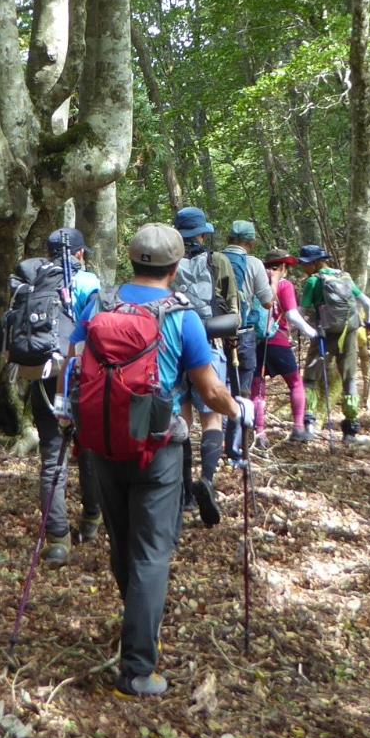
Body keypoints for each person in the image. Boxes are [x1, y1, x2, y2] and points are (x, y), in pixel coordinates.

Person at [67, 223, 239, 697]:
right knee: (152, 554)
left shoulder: (98, 303)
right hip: (158, 448)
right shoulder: (181, 316)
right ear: (177, 266)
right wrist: (236, 409)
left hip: (102, 444)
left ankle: (137, 626)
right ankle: (139, 668)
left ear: (132, 258)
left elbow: (73, 360)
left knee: (123, 545)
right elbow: (208, 390)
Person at [26, 226, 104, 565]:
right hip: (79, 374)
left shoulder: (32, 282)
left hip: (40, 374)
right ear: (80, 254)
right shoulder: (87, 282)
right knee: (88, 447)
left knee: (52, 455)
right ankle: (91, 519)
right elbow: (100, 330)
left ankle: (58, 539)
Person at [169, 206, 238, 525]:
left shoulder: (168, 263)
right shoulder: (218, 261)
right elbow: (233, 304)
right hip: (209, 342)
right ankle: (207, 480)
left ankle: (183, 496)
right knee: (212, 416)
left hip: (172, 345)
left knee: (181, 420)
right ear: (202, 234)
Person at [296, 244, 370, 442]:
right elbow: (366, 302)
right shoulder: (344, 277)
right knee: (349, 378)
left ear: (315, 263)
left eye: (305, 264)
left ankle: (309, 425)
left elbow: (301, 312)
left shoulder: (313, 281)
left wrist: (300, 330)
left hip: (323, 334)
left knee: (311, 378)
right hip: (349, 332)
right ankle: (351, 430)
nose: (303, 268)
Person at [220, 220, 275, 459]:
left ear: (228, 238)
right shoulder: (254, 264)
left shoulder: (213, 260)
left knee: (219, 384)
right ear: (251, 243)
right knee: (242, 388)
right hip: (245, 334)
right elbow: (267, 301)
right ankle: (236, 448)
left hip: (216, 333)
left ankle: (216, 437)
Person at [259, 249, 312, 441]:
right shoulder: (284, 285)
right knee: (296, 383)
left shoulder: (256, 285)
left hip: (257, 342)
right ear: (282, 266)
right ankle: (298, 427)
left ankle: (260, 432)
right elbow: (291, 314)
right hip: (279, 341)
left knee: (258, 387)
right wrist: (310, 331)